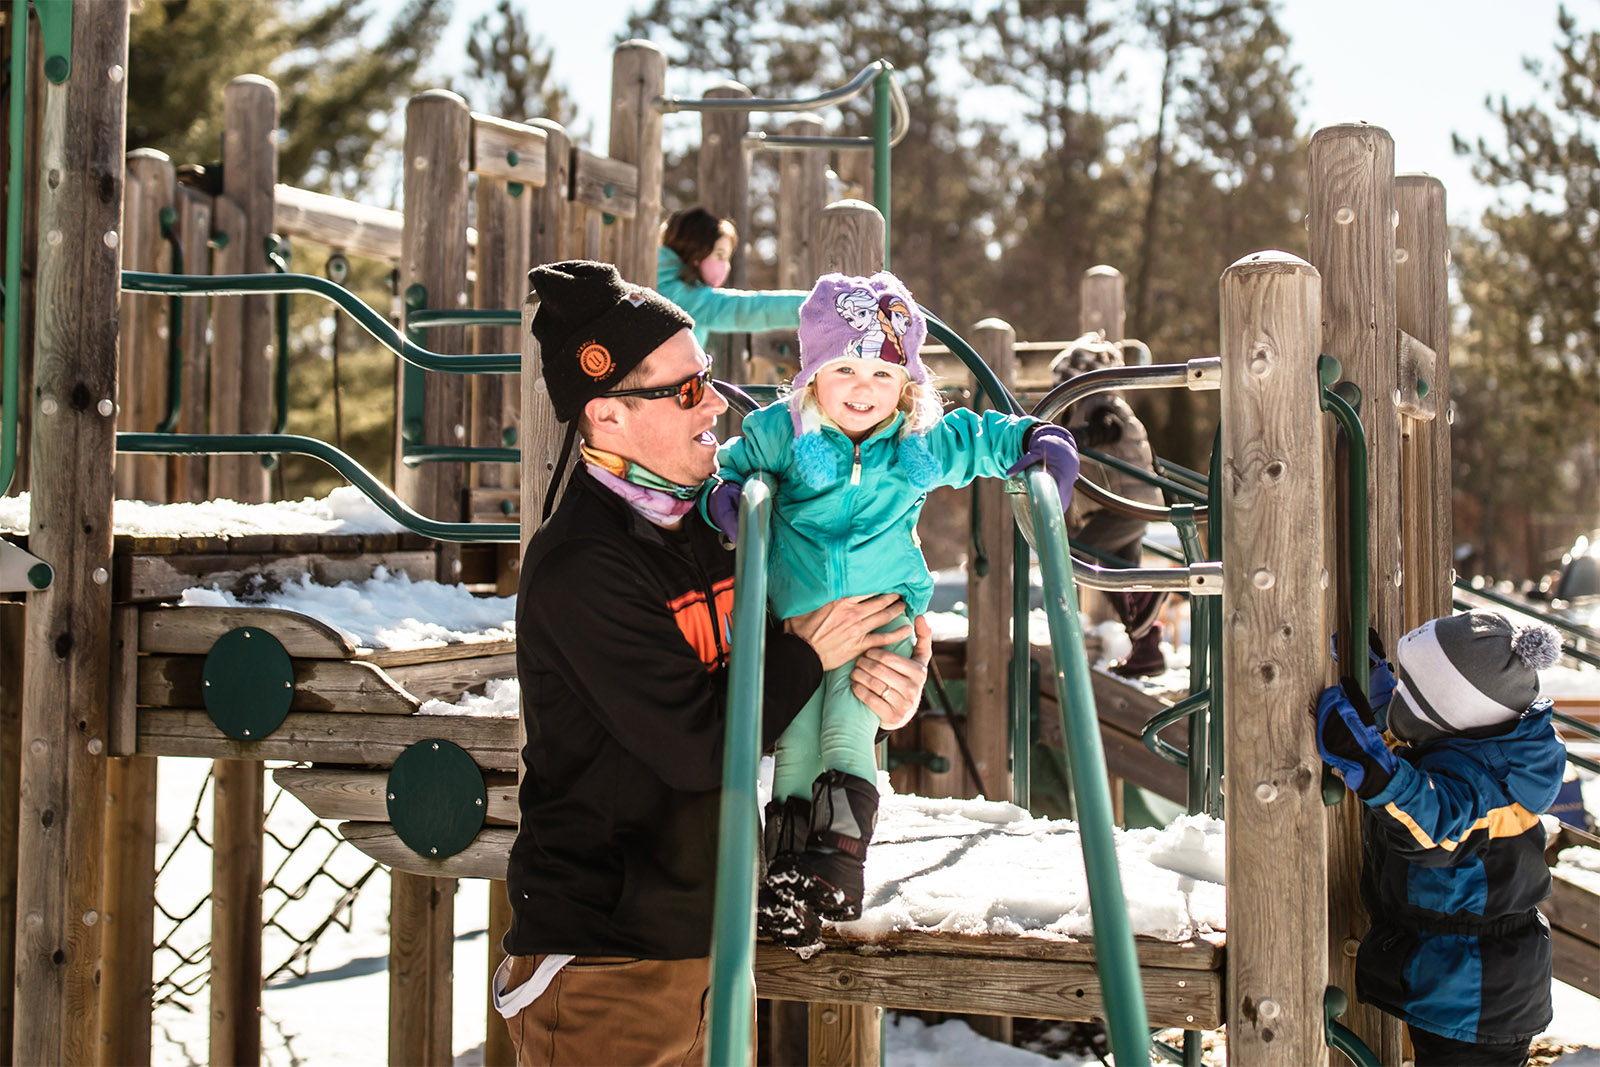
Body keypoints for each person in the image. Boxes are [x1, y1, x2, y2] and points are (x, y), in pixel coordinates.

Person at [497, 260, 932, 1066]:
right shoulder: (583, 566)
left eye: (711, 381)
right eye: (687, 390)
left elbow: (808, 619)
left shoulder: (715, 521)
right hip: (607, 956)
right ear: (609, 415)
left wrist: (885, 672)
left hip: (706, 937)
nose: (718, 405)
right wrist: (808, 654)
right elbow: (701, 744)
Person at [705, 271, 1080, 946]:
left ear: (906, 385)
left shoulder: (916, 443)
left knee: (845, 734)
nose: (862, 388)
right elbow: (730, 465)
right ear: (811, 372)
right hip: (796, 623)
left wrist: (1037, 444)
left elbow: (983, 439)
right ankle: (787, 875)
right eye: (844, 367)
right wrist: (726, 500)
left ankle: (835, 868)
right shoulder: (786, 433)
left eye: (882, 374)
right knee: (793, 742)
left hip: (879, 622)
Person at [1312, 611, 1566, 1067]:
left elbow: (1434, 823)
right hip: (1467, 977)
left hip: (1476, 992)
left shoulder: (1482, 785)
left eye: (1409, 690)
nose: (1399, 696)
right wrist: (1375, 689)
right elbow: (1417, 735)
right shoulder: (1482, 745)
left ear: (1447, 710)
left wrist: (1370, 768)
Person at [1049, 331, 1167, 677]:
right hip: (1128, 503)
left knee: (1075, 551)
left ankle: (1153, 597)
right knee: (1120, 576)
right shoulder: (1093, 404)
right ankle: (1147, 650)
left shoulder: (1101, 403)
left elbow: (1108, 429)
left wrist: (1077, 438)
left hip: (1125, 505)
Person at [655, 206, 808, 351]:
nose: (725, 265)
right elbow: (751, 309)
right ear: (695, 251)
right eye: (719, 255)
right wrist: (819, 303)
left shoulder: (665, 282)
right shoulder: (679, 296)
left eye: (727, 258)